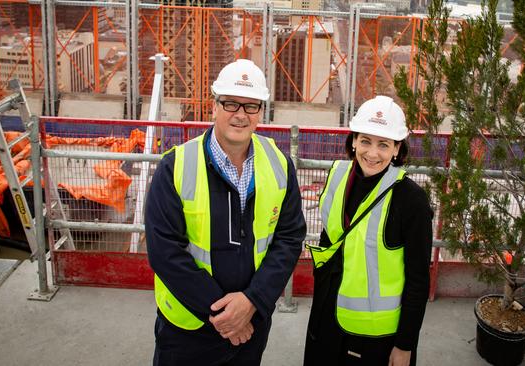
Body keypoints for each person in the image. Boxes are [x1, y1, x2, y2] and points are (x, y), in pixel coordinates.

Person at [146, 59, 306, 366]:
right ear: (215, 105)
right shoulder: (175, 166)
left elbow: (289, 238)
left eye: (251, 106)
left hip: (251, 326)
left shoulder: (279, 164)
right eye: (231, 103)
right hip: (188, 329)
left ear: (262, 111)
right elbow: (164, 250)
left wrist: (252, 302)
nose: (240, 115)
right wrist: (225, 315)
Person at [304, 96, 433, 366]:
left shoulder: (411, 200)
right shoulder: (338, 176)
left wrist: (405, 345)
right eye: (365, 141)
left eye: (383, 144)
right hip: (327, 318)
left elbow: (418, 280)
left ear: (397, 149)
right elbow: (331, 239)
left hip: (374, 335)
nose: (372, 153)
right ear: (353, 141)